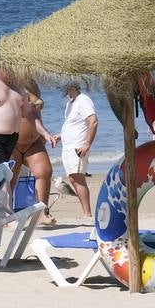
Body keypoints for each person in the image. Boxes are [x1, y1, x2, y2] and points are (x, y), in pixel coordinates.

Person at [10, 90, 58, 226]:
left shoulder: (31, 84)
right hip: (13, 141)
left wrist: (44, 134)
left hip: (34, 141)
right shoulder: (11, 84)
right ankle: (8, 215)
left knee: (45, 171)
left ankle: (42, 213)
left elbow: (36, 114)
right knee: (10, 179)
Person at [59, 83, 98, 219]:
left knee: (77, 178)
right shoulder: (71, 103)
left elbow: (93, 122)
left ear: (73, 86)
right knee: (73, 178)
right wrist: (61, 135)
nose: (62, 89)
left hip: (78, 146)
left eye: (64, 86)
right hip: (69, 146)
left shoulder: (83, 100)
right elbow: (75, 124)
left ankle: (87, 214)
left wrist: (87, 143)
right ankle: (86, 213)